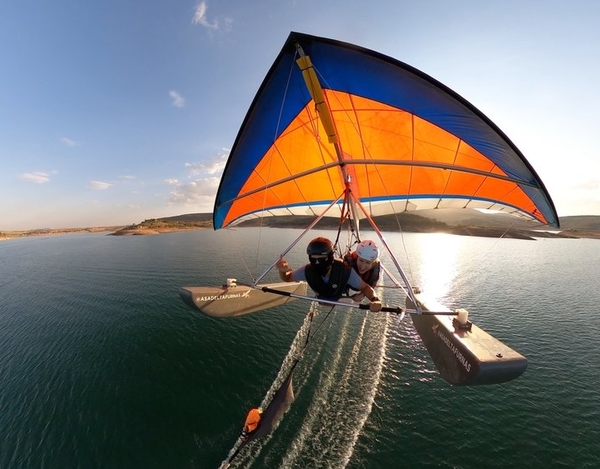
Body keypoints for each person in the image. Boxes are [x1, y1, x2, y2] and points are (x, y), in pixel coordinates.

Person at [276, 237, 382, 312]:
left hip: (337, 296)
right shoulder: (308, 270)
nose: (317, 263)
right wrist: (283, 270)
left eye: (322, 259)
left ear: (330, 257)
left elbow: (365, 287)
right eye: (314, 259)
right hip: (322, 297)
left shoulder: (345, 271)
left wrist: (375, 299)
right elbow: (287, 278)